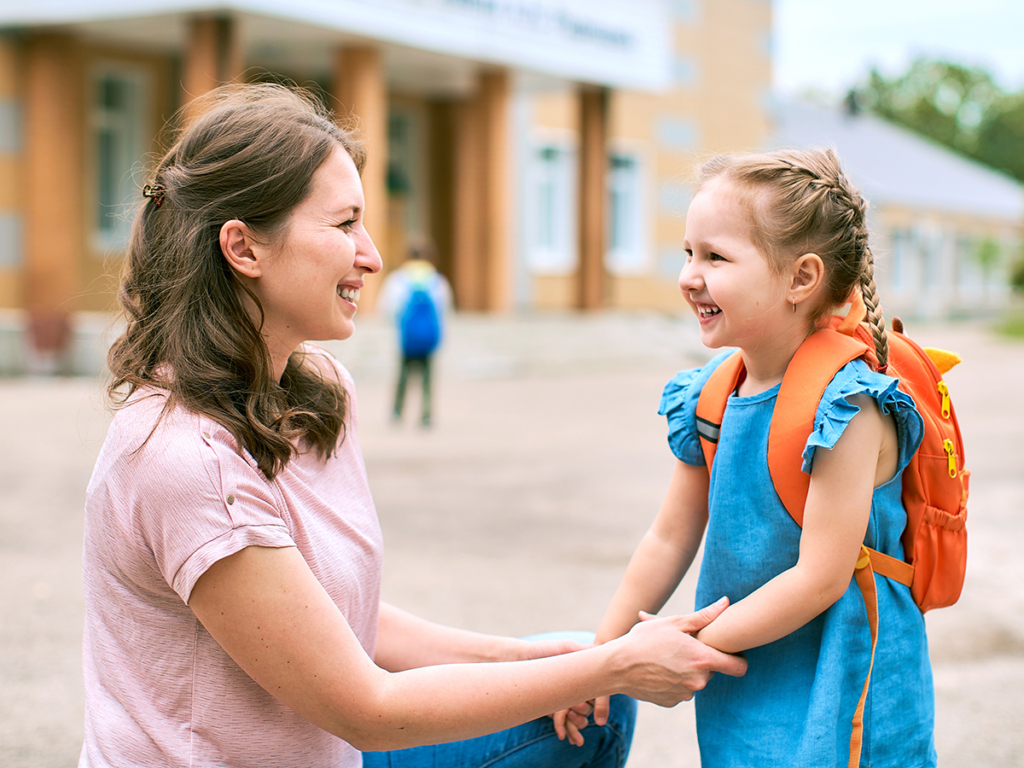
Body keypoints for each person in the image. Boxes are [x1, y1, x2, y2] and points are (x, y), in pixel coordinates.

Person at [80, 83, 747, 768]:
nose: (371, 255)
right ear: (244, 249)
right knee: (597, 681)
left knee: (585, 697)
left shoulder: (316, 395)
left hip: (331, 752)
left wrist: (540, 657)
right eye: (344, 226)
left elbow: (340, 625)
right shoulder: (182, 460)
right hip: (342, 734)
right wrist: (612, 667)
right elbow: (365, 710)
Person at [570, 148, 935, 767]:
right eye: (688, 253)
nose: (690, 275)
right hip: (743, 676)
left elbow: (819, 577)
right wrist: (599, 659)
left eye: (715, 257)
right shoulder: (711, 394)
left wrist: (687, 647)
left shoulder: (851, 405)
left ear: (801, 279)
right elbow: (667, 539)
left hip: (844, 685)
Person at [379, 239, 452, 427]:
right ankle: (426, 414)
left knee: (403, 377)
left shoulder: (398, 278)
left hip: (406, 339)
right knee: (427, 379)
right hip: (429, 339)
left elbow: (387, 308)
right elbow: (445, 307)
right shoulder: (436, 279)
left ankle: (397, 412)